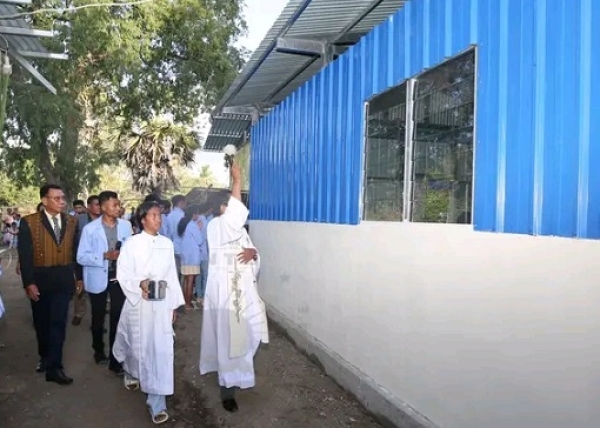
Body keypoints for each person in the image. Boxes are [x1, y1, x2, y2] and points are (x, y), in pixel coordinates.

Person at [199, 162, 269, 412]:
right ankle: (227, 390)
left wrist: (253, 253)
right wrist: (236, 181)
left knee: (249, 335)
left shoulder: (239, 231)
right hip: (227, 293)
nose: (235, 209)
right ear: (222, 208)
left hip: (244, 291)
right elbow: (235, 215)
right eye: (229, 204)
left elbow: (253, 255)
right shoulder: (217, 226)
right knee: (230, 338)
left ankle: (239, 374)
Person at [113, 201, 184, 424]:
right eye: (153, 215)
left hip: (161, 304)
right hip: (139, 304)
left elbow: (172, 276)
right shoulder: (132, 244)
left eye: (160, 215)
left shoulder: (167, 244)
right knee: (137, 345)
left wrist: (173, 306)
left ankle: (156, 402)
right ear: (143, 219)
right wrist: (140, 283)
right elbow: (123, 273)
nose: (158, 219)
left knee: (160, 351)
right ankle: (131, 372)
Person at [17, 184, 83, 385]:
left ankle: (55, 367)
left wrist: (78, 277)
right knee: (41, 322)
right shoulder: (29, 222)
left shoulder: (72, 222)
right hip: (40, 278)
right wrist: (28, 282)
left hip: (63, 279)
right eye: (56, 198)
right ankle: (45, 356)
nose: (61, 201)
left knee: (58, 323)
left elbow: (75, 253)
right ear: (44, 201)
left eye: (63, 198)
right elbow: (25, 255)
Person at [77, 191, 133, 373]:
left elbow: (132, 249)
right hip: (98, 276)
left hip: (119, 278)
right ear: (103, 208)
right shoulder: (90, 229)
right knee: (98, 317)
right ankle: (99, 351)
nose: (118, 208)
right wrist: (103, 256)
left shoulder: (126, 225)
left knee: (118, 316)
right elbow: (81, 257)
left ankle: (116, 358)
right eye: (114, 205)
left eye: (118, 205)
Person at [71, 194, 101, 327]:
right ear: (88, 206)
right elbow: (73, 241)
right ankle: (78, 313)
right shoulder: (78, 220)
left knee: (98, 292)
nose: (99, 207)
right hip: (81, 259)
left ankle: (98, 322)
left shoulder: (105, 220)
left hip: (99, 261)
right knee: (80, 289)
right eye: (96, 204)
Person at [177, 204, 206, 310]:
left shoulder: (184, 223)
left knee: (185, 280)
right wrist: (200, 228)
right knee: (190, 281)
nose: (198, 215)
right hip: (192, 257)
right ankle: (188, 304)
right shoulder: (192, 225)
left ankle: (185, 302)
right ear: (193, 214)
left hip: (185, 256)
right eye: (197, 213)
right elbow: (200, 241)